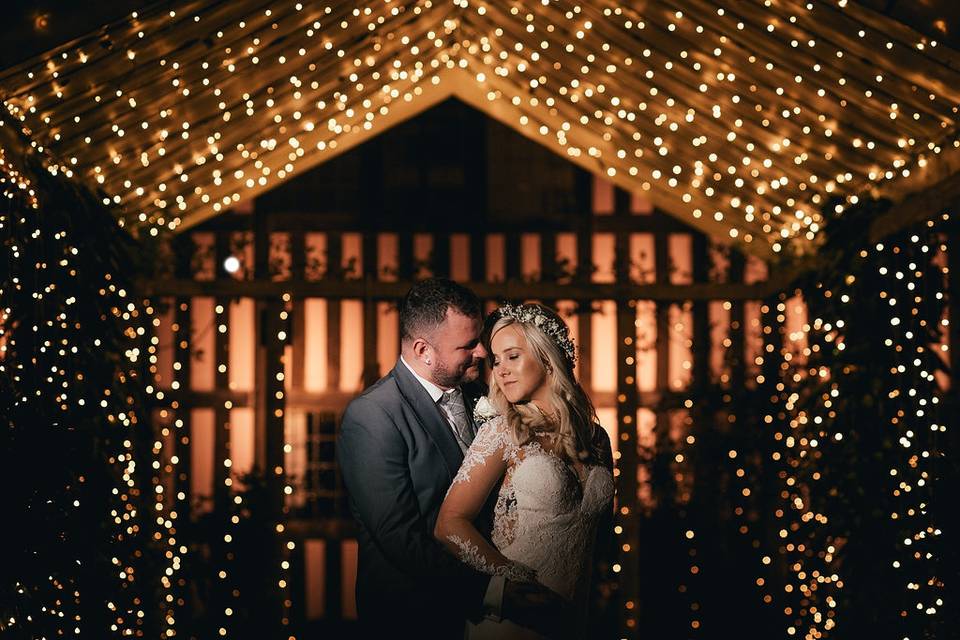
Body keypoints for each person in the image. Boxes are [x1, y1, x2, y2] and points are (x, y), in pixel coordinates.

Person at [337, 279, 561, 638]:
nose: (483, 353)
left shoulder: (485, 396)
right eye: (468, 345)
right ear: (424, 350)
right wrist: (495, 592)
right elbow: (400, 537)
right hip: (415, 618)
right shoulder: (373, 416)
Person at [435, 302, 615, 639]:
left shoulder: (598, 438)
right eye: (496, 360)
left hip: (576, 622)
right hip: (515, 622)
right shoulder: (503, 431)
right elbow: (448, 524)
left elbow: (599, 535)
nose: (500, 370)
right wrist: (511, 580)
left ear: (547, 357)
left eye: (512, 356)